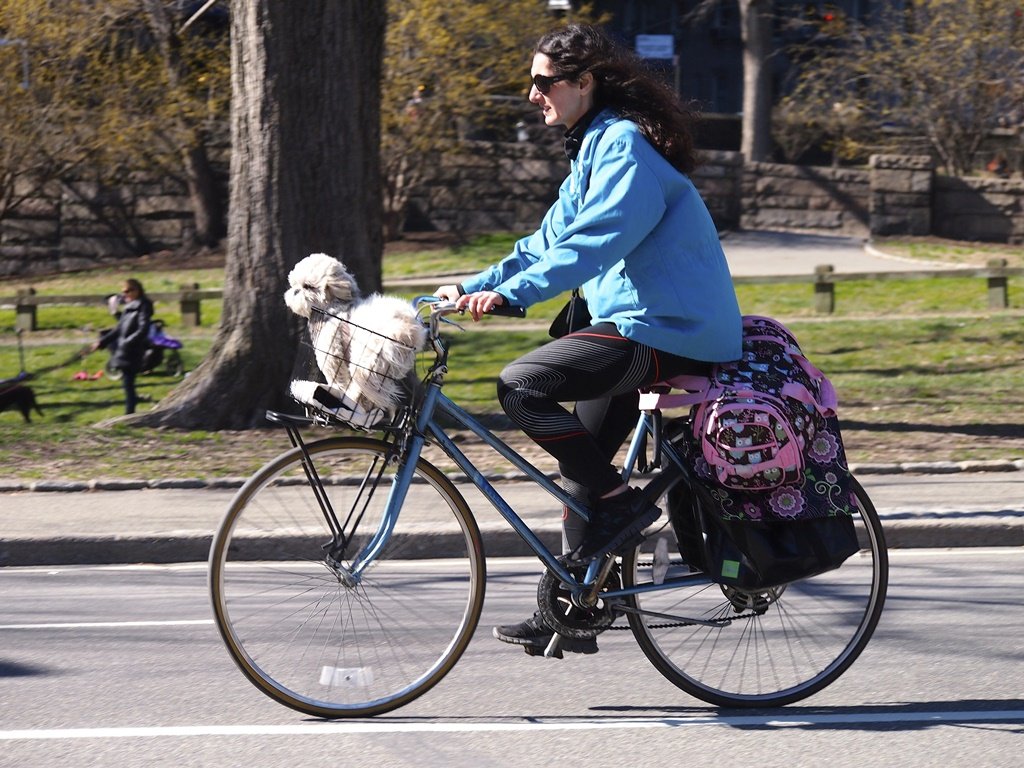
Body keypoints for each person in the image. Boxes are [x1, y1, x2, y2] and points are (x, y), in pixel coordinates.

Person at [434, 24, 742, 656]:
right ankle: (574, 609)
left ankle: (623, 509)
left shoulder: (623, 147)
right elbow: (544, 244)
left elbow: (597, 239)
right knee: (584, 468)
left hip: (667, 329)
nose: (532, 94)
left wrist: (515, 296)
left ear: (583, 83)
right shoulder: (593, 150)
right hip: (637, 326)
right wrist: (473, 285)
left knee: (524, 385)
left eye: (543, 82)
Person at [90, 278, 153, 414]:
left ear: (137, 290)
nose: (126, 294)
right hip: (124, 349)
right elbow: (118, 330)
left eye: (128, 291)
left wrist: (128, 342)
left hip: (133, 349)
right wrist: (101, 342)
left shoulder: (143, 306)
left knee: (128, 383)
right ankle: (131, 408)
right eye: (124, 292)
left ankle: (129, 413)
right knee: (127, 383)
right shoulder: (129, 307)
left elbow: (143, 329)